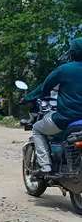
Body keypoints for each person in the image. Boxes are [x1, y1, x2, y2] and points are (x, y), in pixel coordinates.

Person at [26, 38, 82, 174]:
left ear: (72, 53)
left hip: (66, 118)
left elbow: (45, 87)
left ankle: (45, 166)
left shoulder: (64, 69)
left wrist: (28, 98)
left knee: (37, 128)